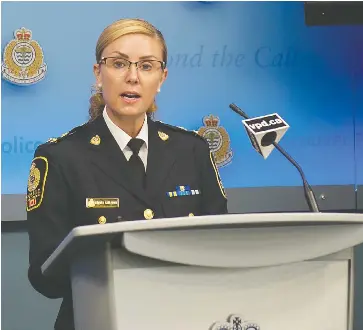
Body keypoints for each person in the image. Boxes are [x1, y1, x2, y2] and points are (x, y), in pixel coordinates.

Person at [26, 18, 228, 330]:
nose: (132, 77)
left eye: (147, 66)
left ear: (161, 78)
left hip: (185, 318)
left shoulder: (193, 150)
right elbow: (44, 275)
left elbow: (223, 248)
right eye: (119, 64)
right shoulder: (59, 157)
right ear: (98, 74)